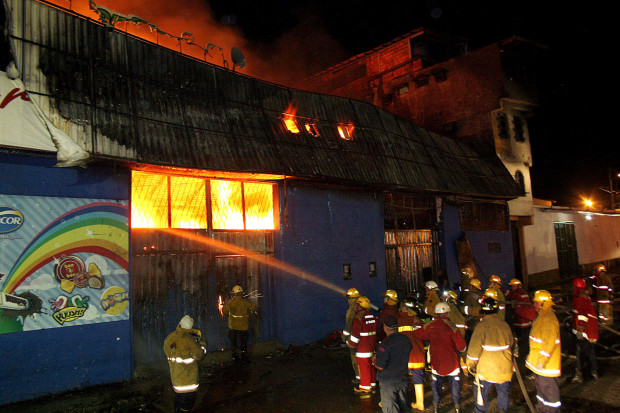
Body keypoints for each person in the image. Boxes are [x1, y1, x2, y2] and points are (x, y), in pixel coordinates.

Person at [414, 302, 467, 413]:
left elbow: (418, 334)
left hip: (436, 362)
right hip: (452, 363)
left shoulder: (430, 325)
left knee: (436, 384)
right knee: (455, 385)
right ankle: (457, 406)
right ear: (448, 312)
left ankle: (436, 405)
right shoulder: (451, 326)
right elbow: (461, 347)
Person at [466, 294, 514, 413]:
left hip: (486, 371)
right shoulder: (505, 325)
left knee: (481, 397)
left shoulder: (481, 327)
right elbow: (511, 343)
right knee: (503, 394)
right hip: (504, 371)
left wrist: (470, 365)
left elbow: (473, 351)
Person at [526, 290, 561, 413]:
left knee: (550, 397)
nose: (534, 305)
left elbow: (548, 343)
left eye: (536, 303)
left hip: (547, 367)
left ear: (543, 303)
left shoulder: (549, 318)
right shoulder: (542, 316)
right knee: (541, 394)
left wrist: (541, 361)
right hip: (540, 366)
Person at [163, 315, 207, 413]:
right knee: (187, 406)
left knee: (178, 401)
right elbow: (199, 355)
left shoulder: (169, 338)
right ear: (190, 328)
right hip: (188, 382)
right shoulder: (189, 339)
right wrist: (202, 345)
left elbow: (170, 351)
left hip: (176, 380)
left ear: (180, 324)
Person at [374, 315, 412, 413]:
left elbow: (380, 366)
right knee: (403, 404)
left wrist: (374, 360)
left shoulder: (385, 343)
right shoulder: (405, 339)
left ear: (385, 328)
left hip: (388, 381)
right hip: (403, 378)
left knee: (390, 407)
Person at [397, 298, 426, 411]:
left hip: (406, 355)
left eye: (403, 305)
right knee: (418, 377)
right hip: (418, 354)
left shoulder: (401, 320)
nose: (401, 306)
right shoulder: (417, 320)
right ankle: (420, 403)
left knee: (402, 378)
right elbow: (423, 335)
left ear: (406, 308)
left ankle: (399, 401)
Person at [347, 296, 378, 393]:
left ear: (359, 306)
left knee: (364, 367)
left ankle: (365, 387)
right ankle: (372, 384)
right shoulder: (372, 317)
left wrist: (350, 344)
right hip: (372, 347)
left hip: (362, 349)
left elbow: (356, 335)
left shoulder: (358, 318)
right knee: (371, 366)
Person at [571, 278, 599, 382]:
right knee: (590, 351)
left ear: (576, 287)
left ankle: (579, 375)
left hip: (585, 331)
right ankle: (594, 371)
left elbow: (582, 316)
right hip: (591, 331)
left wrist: (579, 330)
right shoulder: (585, 297)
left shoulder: (580, 299)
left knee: (579, 353)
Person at [221, 285, 257, 363]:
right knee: (243, 343)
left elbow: (224, 311)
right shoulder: (245, 302)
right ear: (241, 293)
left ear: (234, 293)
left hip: (233, 326)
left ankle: (234, 357)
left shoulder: (231, 302)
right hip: (243, 327)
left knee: (233, 342)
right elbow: (254, 308)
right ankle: (244, 357)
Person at [506, 278, 536, 360]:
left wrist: (516, 308)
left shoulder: (522, 294)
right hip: (519, 322)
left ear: (518, 286)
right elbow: (511, 295)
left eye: (513, 286)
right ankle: (522, 355)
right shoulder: (517, 293)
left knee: (524, 342)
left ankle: (524, 357)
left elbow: (525, 309)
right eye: (511, 286)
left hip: (523, 324)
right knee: (520, 341)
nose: (512, 287)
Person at [342, 287, 362, 383]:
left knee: (355, 360)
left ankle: (359, 378)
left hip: (353, 340)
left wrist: (344, 336)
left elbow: (349, 325)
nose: (348, 300)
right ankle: (364, 377)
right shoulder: (360, 308)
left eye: (349, 298)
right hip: (361, 340)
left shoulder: (352, 310)